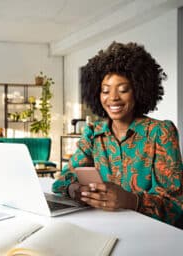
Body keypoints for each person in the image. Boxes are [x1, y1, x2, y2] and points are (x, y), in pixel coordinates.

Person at [52, 41, 183, 227]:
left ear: (138, 90)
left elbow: (176, 206)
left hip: (150, 234)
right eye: (105, 90)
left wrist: (130, 200)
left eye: (123, 90)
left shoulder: (160, 133)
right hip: (104, 226)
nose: (113, 97)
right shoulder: (93, 133)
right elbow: (61, 181)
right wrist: (76, 189)